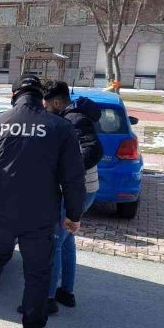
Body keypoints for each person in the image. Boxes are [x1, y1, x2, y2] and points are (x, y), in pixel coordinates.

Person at [0, 75, 85, 328]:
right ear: (40, 97)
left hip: (1, 212)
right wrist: (74, 214)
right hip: (40, 216)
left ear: (14, 93)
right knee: (38, 273)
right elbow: (73, 178)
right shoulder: (60, 127)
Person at [41, 81, 102, 313]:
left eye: (47, 106)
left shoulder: (74, 119)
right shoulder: (73, 116)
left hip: (78, 190)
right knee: (67, 241)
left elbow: (93, 150)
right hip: (85, 188)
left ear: (56, 103)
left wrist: (68, 174)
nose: (46, 110)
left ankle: (46, 300)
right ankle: (66, 292)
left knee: (55, 242)